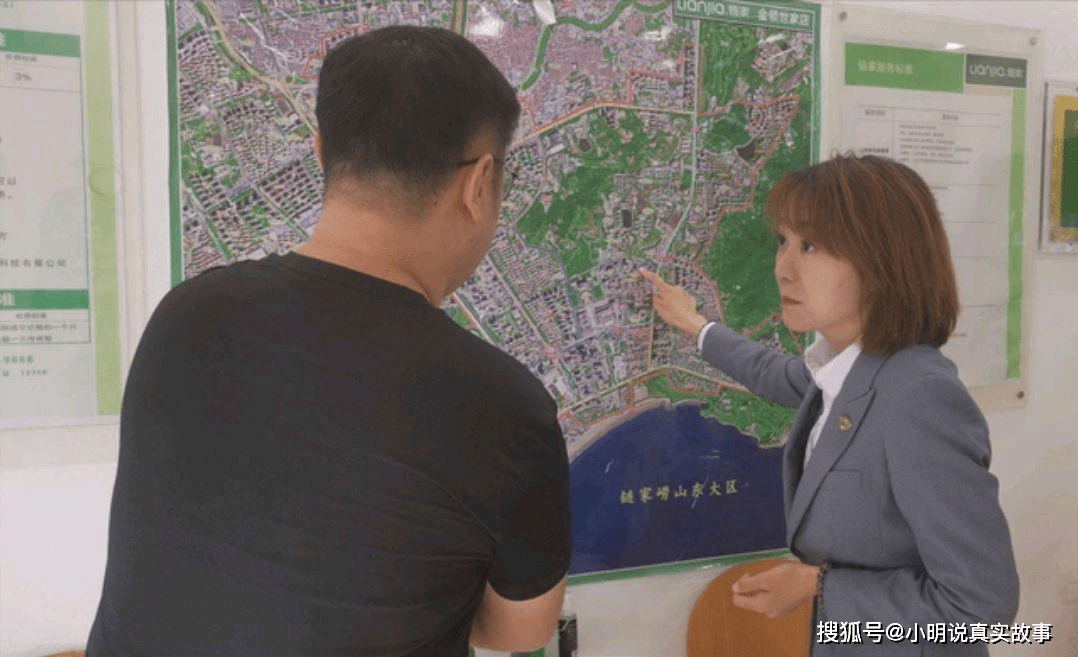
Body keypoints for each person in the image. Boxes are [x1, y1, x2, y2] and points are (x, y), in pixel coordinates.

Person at [87, 26, 571, 657]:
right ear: (479, 184)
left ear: (320, 155)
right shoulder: (502, 406)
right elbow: (518, 632)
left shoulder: (186, 314)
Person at [641, 154, 1018, 655]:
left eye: (811, 246)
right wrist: (696, 326)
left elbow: (983, 611)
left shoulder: (919, 397)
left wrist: (818, 586)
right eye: (783, 241)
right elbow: (775, 374)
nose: (783, 269)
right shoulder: (849, 369)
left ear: (883, 262)